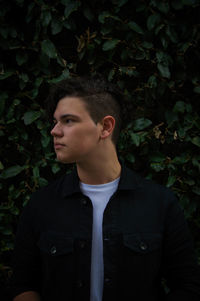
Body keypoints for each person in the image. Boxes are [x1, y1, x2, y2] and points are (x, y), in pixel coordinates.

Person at [11, 76, 200, 301]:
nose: (54, 131)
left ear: (106, 127)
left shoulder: (160, 203)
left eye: (68, 120)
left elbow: (188, 285)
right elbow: (22, 284)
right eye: (55, 121)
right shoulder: (42, 205)